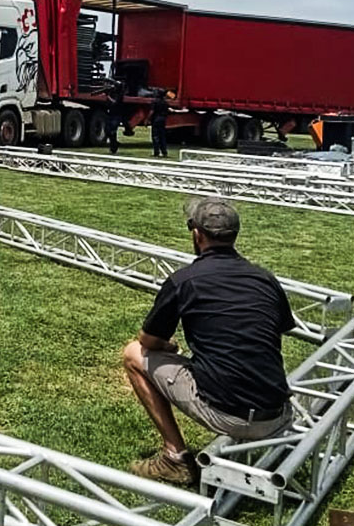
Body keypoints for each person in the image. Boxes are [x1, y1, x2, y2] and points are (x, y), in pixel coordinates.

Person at [122, 198, 294, 486]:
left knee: (133, 354)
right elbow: (278, 329)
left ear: (197, 235)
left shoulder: (184, 281)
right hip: (277, 412)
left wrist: (169, 348)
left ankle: (174, 458)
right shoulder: (265, 279)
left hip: (229, 415)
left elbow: (148, 340)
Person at [150, 89, 169, 158]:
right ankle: (164, 152)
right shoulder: (165, 103)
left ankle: (156, 152)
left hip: (156, 120)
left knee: (155, 136)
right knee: (162, 136)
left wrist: (147, 119)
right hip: (163, 120)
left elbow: (152, 111)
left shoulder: (154, 102)